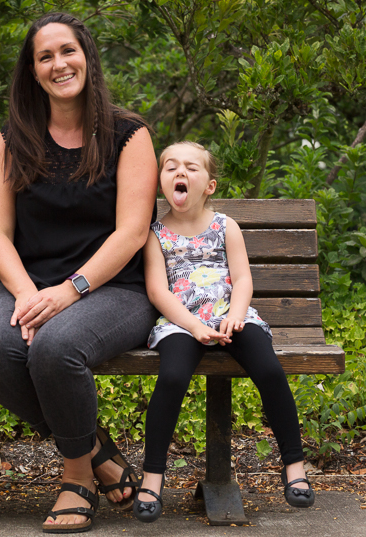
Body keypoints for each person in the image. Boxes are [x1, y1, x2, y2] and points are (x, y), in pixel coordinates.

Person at [0, 12, 158, 533]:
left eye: (67, 51)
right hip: (30, 281)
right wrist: (32, 294)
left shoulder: (129, 134)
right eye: (45, 56)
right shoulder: (14, 138)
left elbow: (131, 234)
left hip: (113, 286)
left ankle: (76, 475)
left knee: (56, 346)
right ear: (32, 71)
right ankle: (96, 448)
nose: (58, 64)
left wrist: (68, 292)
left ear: (87, 57)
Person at [135, 141, 315, 523]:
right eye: (170, 167)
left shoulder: (225, 226)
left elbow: (243, 276)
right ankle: (153, 478)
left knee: (268, 370)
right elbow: (157, 291)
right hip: (182, 323)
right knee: (171, 377)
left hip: (232, 317)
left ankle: (295, 466)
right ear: (160, 182)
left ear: (209, 186)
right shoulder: (154, 233)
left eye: (191, 168)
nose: (180, 173)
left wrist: (235, 314)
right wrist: (195, 326)